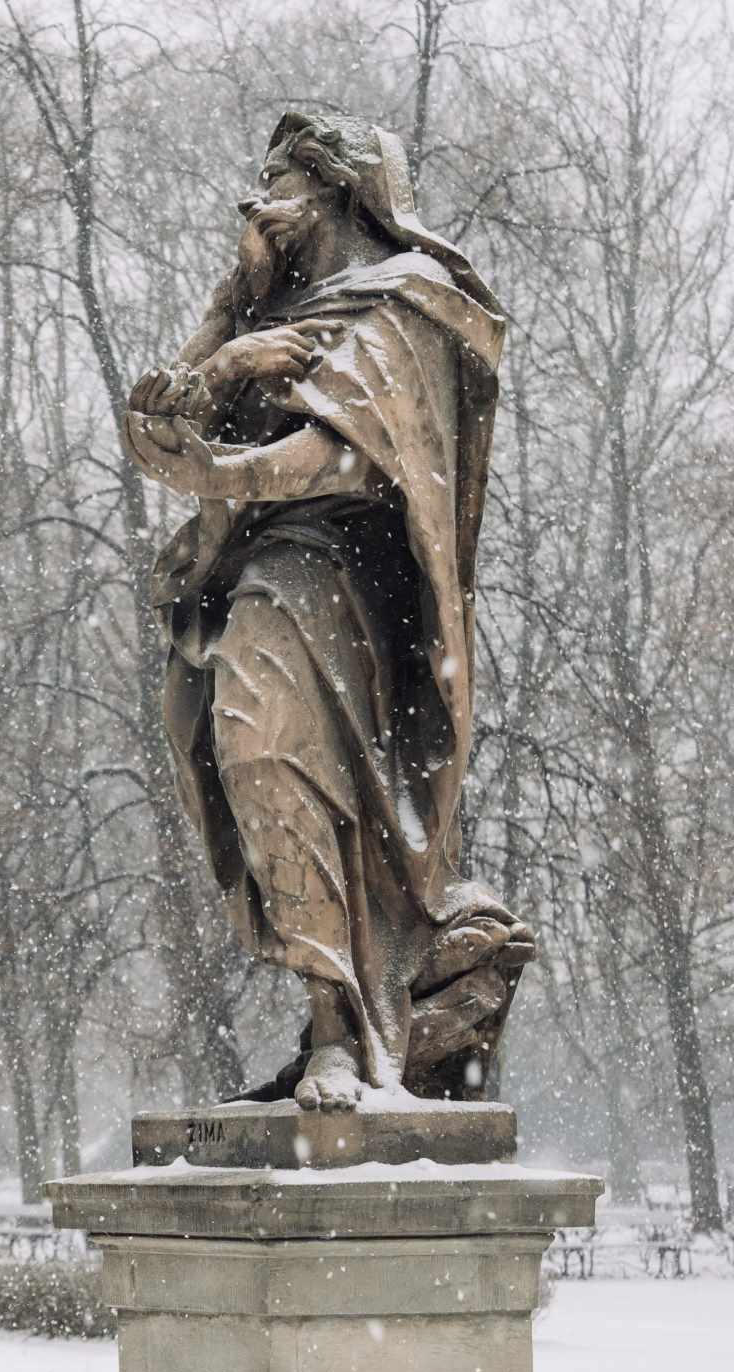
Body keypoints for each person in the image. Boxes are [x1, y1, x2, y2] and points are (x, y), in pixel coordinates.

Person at [121, 114, 531, 1108]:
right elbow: (167, 409)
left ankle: (337, 1029)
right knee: (241, 769)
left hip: (341, 577)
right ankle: (333, 1018)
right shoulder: (275, 310)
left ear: (341, 192)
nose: (255, 203)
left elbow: (347, 454)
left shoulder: (406, 302)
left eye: (276, 184)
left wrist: (226, 468)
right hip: (248, 568)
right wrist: (226, 322)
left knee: (268, 751)